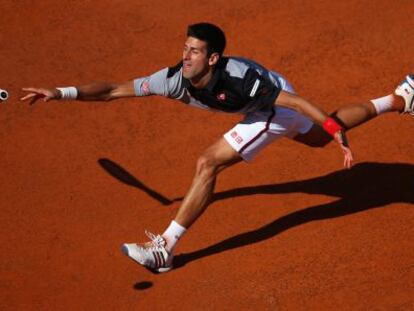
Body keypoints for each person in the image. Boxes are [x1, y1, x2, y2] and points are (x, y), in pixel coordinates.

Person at [21, 23, 414, 273]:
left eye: (193, 51)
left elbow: (291, 102)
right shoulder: (172, 79)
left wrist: (333, 130)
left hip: (271, 103)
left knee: (208, 162)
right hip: (271, 98)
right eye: (184, 47)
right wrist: (60, 92)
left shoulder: (242, 82)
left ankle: (165, 250)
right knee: (311, 139)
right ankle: (399, 99)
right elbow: (111, 90)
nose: (184, 56)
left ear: (212, 58)